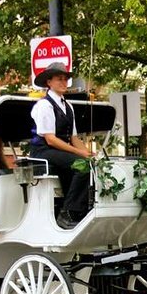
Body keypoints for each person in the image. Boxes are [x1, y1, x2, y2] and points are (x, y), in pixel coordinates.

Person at [30, 62, 92, 229]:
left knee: (90, 165)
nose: (64, 83)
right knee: (83, 166)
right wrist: (80, 155)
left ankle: (81, 211)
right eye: (59, 79)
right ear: (49, 82)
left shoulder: (69, 106)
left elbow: (74, 138)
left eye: (65, 79)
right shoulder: (44, 105)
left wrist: (90, 154)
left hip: (58, 150)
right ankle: (67, 213)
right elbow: (50, 139)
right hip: (43, 151)